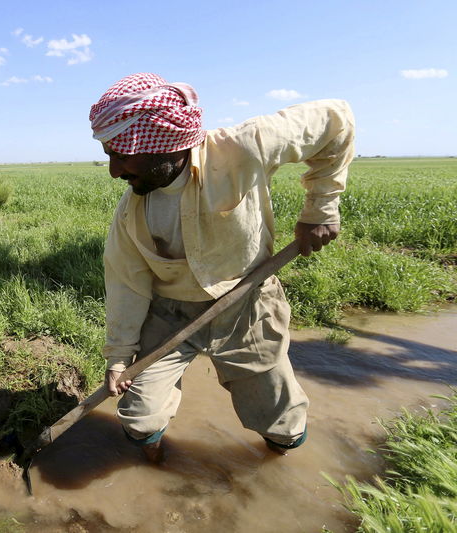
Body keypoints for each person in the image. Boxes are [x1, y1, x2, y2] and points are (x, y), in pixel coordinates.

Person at [88, 73, 355, 461]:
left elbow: (336, 119)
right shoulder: (131, 212)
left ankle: (275, 470)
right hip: (170, 313)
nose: (115, 171)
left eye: (123, 156)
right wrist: (118, 356)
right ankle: (154, 463)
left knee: (279, 420)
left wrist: (321, 209)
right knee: (140, 417)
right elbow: (126, 283)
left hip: (246, 305)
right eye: (110, 155)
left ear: (165, 145)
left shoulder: (242, 148)